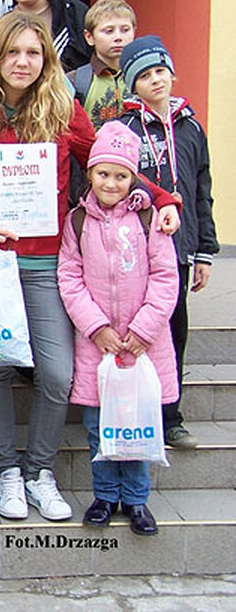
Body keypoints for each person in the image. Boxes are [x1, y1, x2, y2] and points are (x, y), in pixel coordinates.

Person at [0, 11, 180, 524]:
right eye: (13, 52)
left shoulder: (63, 110)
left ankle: (40, 471)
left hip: (46, 262)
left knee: (57, 373)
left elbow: (110, 164)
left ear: (47, 59)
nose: (23, 62)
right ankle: (8, 473)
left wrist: (163, 198)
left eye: (33, 52)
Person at [57, 121, 179, 536]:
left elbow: (165, 276)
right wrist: (96, 328)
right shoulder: (77, 222)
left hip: (144, 345)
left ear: (133, 178)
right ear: (90, 173)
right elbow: (69, 278)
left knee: (139, 423)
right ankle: (106, 496)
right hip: (100, 346)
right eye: (103, 173)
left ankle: (137, 500)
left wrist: (144, 330)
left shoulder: (148, 219)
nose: (111, 183)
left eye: (121, 175)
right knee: (100, 428)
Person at [118, 35, 219, 449]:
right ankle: (129, 412)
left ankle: (170, 417)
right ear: (132, 84)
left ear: (172, 73)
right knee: (137, 329)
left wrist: (204, 251)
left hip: (178, 252)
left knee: (174, 332)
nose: (156, 80)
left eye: (161, 71)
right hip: (133, 252)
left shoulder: (191, 128)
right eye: (144, 75)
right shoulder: (123, 129)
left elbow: (201, 191)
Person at [67, 0, 137, 130]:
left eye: (125, 30)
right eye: (109, 31)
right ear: (89, 37)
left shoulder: (143, 77)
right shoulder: (74, 81)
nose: (118, 37)